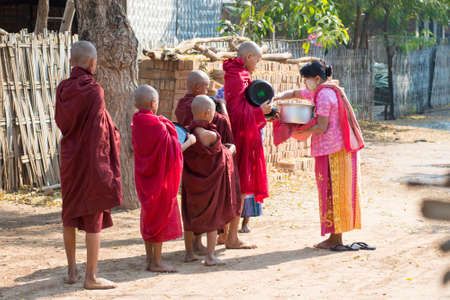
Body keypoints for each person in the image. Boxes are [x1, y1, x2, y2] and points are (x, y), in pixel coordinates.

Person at [273, 60, 364, 250]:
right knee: (331, 191)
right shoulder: (324, 90)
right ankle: (334, 236)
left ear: (316, 78)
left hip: (334, 152)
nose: (305, 83)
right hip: (333, 150)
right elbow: (298, 93)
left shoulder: (323, 95)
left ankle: (335, 238)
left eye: (306, 79)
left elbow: (321, 127)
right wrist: (279, 96)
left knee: (333, 192)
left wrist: (300, 132)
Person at [55, 40, 122, 289]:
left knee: (70, 212)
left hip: (70, 158)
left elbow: (62, 122)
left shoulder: (63, 88)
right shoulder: (94, 90)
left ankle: (72, 271)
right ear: (93, 64)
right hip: (92, 159)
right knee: (93, 216)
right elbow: (99, 128)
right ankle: (91, 277)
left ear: (71, 62)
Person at [131, 85, 196, 272]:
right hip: (160, 179)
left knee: (148, 214)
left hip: (144, 177)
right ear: (153, 103)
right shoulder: (158, 126)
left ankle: (149, 259)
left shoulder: (137, 122)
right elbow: (173, 153)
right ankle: (157, 262)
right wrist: (189, 142)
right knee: (159, 216)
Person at [175, 70, 239, 249]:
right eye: (205, 87)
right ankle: (210, 251)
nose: (208, 90)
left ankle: (193, 247)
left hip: (191, 167)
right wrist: (222, 106)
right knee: (209, 208)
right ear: (196, 87)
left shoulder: (182, 105)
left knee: (191, 207)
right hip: (209, 169)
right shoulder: (210, 127)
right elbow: (224, 126)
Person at [223, 41, 274, 244]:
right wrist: (260, 112)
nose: (258, 64)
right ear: (249, 57)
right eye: (258, 59)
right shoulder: (236, 76)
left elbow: (244, 105)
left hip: (244, 135)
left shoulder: (239, 74)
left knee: (236, 186)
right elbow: (236, 113)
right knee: (240, 186)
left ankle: (226, 234)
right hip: (240, 137)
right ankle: (232, 237)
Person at [181, 95, 242, 265]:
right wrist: (231, 150)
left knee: (189, 216)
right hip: (210, 185)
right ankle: (210, 256)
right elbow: (222, 156)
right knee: (212, 218)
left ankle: (189, 253)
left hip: (191, 183)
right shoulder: (211, 135)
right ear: (209, 113)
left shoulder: (186, 133)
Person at [211, 69, 263, 234]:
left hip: (250, 142)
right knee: (235, 187)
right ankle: (226, 230)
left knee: (246, 188)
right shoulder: (221, 94)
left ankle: (244, 223)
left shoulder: (252, 92)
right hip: (232, 142)